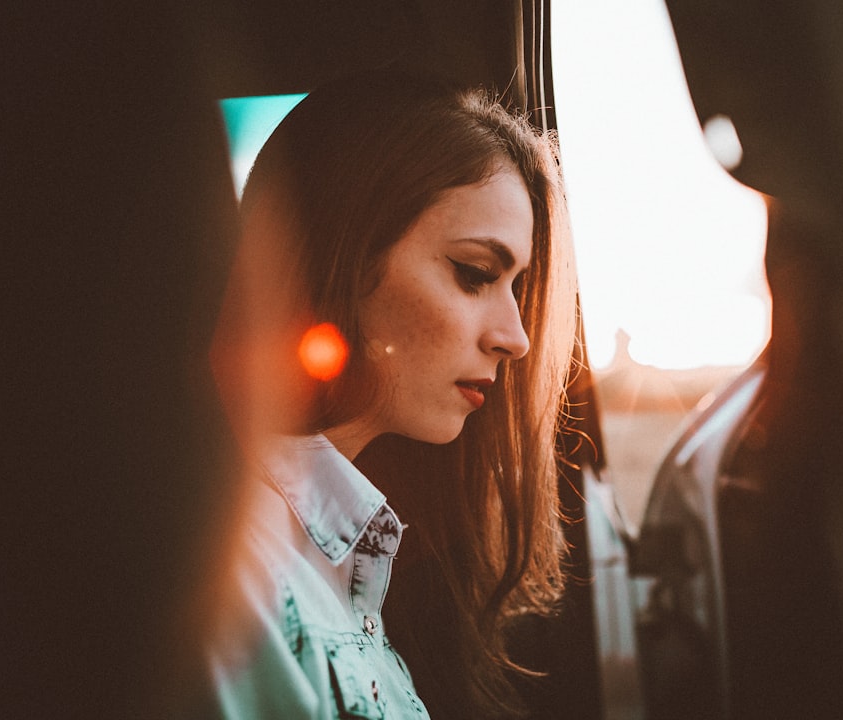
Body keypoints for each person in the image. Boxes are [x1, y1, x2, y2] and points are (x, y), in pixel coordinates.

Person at [205, 71, 579, 719]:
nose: (515, 338)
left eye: (516, 285)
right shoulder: (238, 578)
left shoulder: (358, 556)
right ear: (338, 250)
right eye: (474, 274)